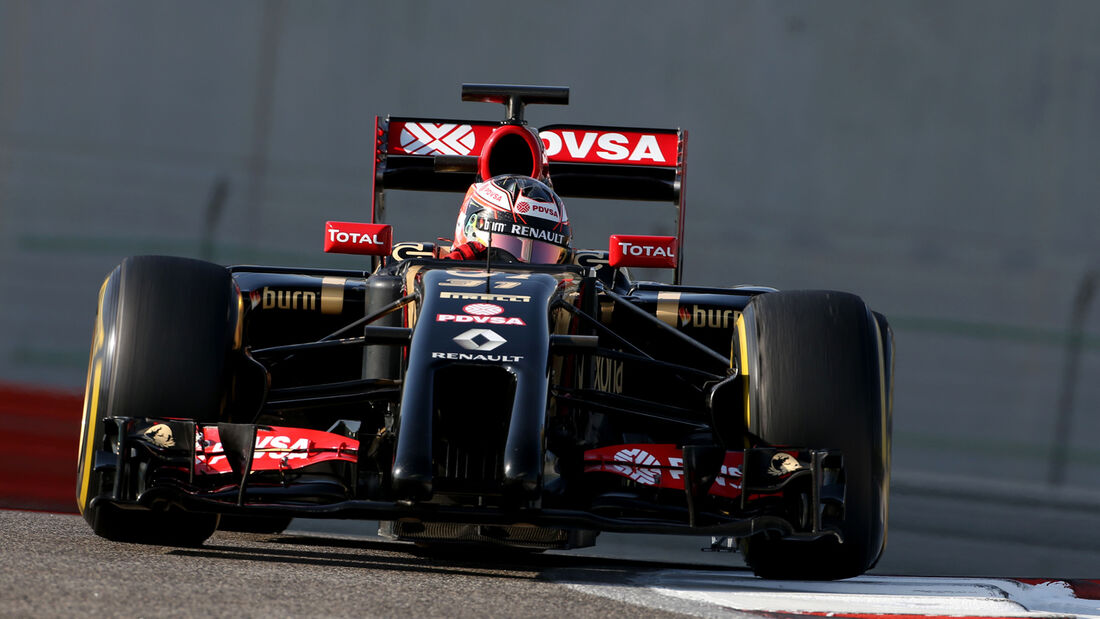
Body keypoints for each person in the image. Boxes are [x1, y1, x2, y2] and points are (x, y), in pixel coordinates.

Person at [444, 175, 572, 264]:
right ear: (469, 229)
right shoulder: (430, 276)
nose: (522, 269)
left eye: (542, 254)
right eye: (510, 246)